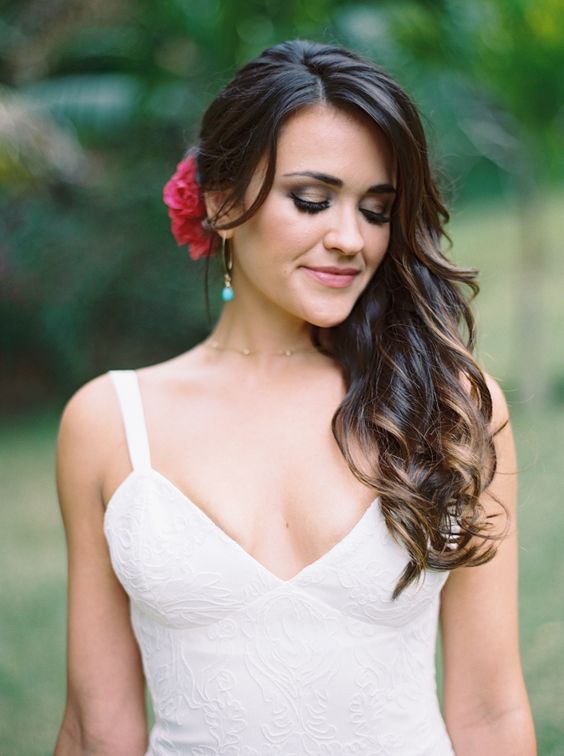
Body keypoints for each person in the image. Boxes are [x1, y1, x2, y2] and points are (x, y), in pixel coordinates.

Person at [54, 39, 536, 755]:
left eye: (376, 210)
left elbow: (491, 713)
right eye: (312, 200)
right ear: (221, 202)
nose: (350, 238)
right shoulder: (108, 423)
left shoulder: (450, 406)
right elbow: (98, 727)